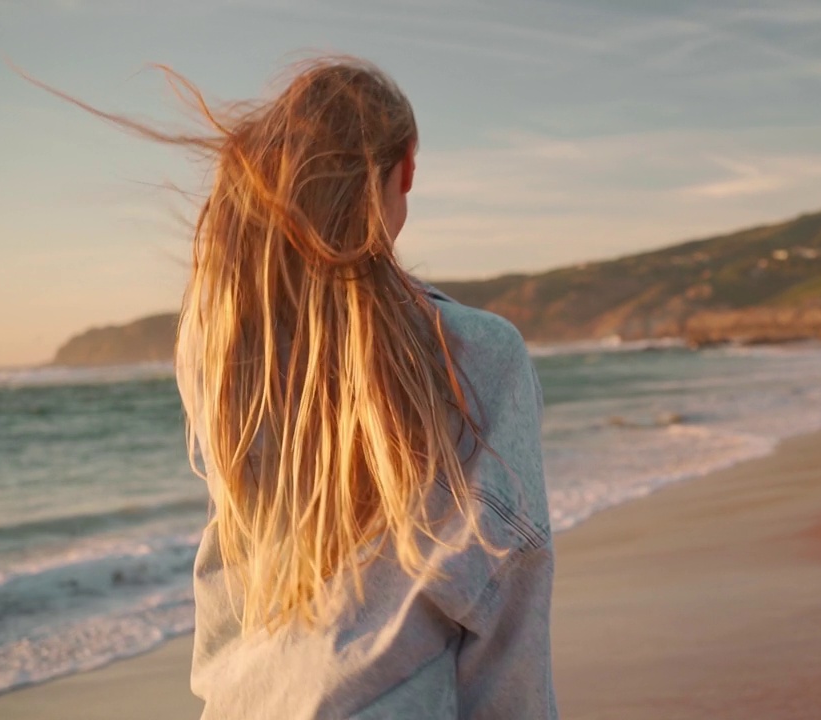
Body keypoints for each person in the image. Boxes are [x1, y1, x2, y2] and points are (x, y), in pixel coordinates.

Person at [40, 58, 558, 718]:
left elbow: (226, 570)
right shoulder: (479, 352)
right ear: (405, 171)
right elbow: (508, 597)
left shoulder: (220, 343)